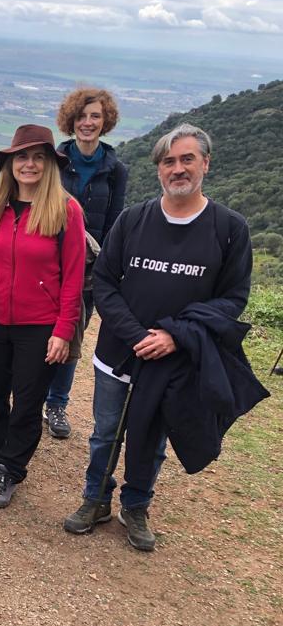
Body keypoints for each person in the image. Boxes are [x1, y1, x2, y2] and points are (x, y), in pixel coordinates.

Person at [63, 124, 260, 551]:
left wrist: (172, 336)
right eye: (168, 161)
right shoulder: (134, 219)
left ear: (205, 163)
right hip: (119, 352)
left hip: (178, 357)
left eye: (187, 159)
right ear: (158, 170)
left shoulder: (229, 228)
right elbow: (105, 282)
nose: (177, 169)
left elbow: (233, 299)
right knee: (105, 431)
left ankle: (136, 506)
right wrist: (138, 335)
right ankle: (95, 499)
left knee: (152, 435)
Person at [0, 125, 85, 509]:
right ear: (11, 164)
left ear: (49, 166)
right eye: (22, 157)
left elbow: (73, 278)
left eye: (38, 158)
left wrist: (63, 331)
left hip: (39, 326)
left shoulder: (66, 210)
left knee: (28, 404)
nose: (29, 164)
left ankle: (11, 471)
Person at [43, 87, 129, 439]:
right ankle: (22, 399)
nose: (88, 123)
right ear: (71, 121)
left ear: (105, 120)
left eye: (95, 116)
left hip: (89, 271)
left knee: (71, 337)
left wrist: (107, 269)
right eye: (81, 116)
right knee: (34, 335)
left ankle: (57, 403)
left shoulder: (115, 169)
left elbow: (114, 223)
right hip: (47, 264)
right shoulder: (55, 160)